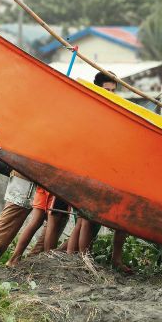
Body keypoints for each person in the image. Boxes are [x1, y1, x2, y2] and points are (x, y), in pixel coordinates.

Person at [66, 71, 132, 273]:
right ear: (97, 88)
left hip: (113, 170)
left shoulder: (118, 109)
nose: (110, 94)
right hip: (91, 169)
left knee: (123, 218)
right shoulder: (90, 108)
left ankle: (115, 260)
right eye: (107, 90)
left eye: (113, 90)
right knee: (87, 217)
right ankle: (82, 260)